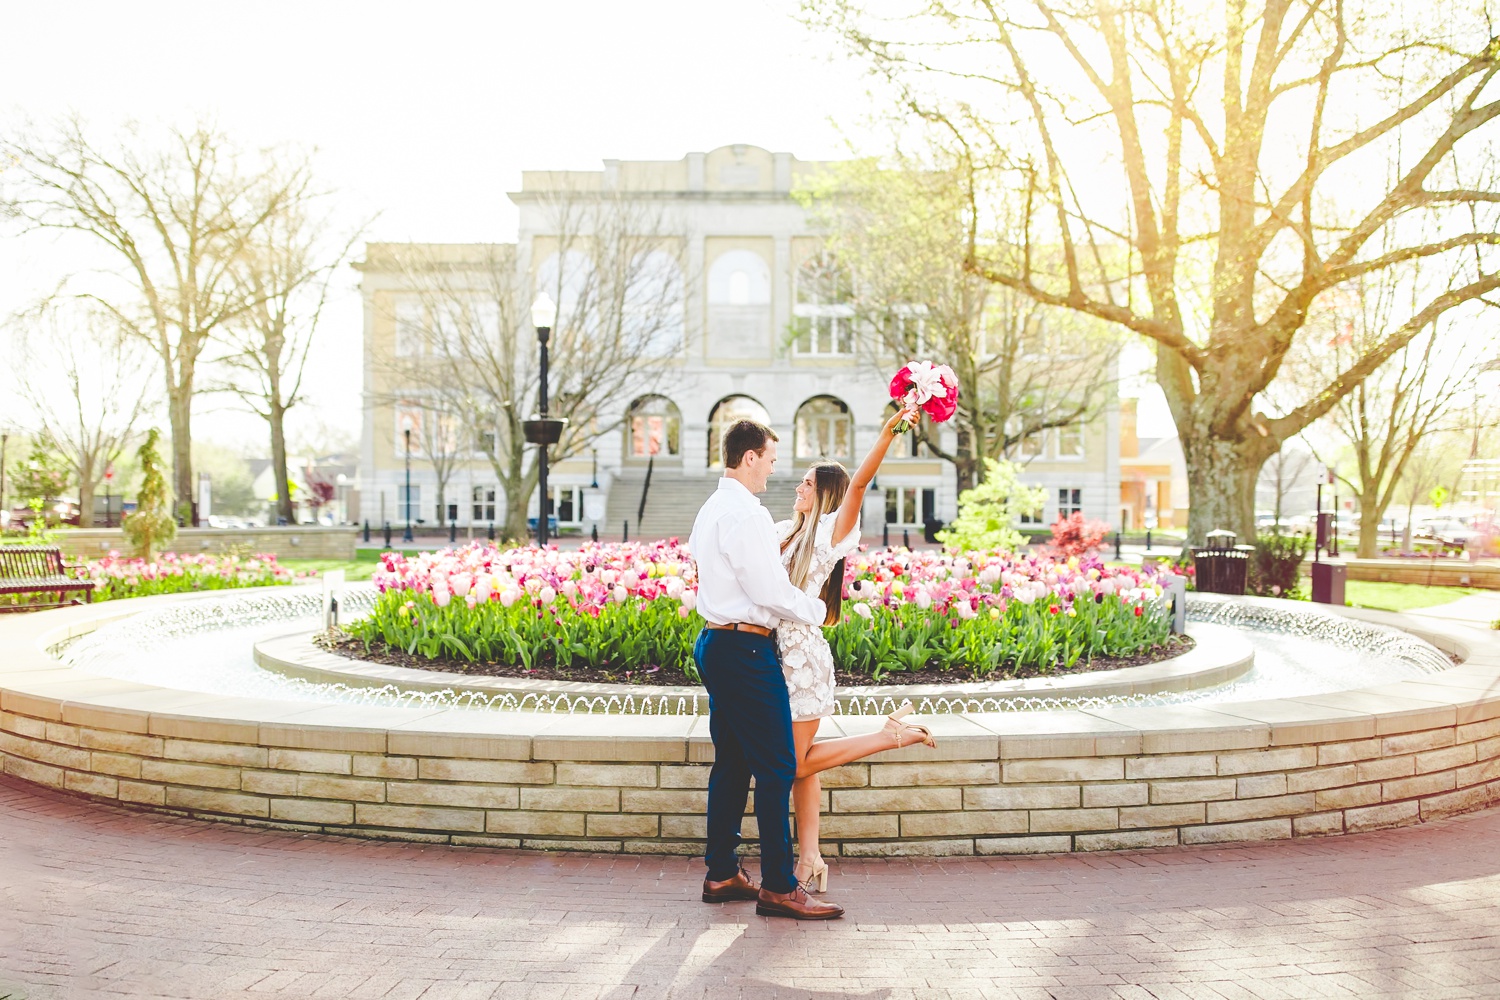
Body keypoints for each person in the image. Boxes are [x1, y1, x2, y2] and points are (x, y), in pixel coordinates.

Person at [688, 418, 845, 920]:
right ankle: (779, 885)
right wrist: (818, 611)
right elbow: (768, 591)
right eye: (771, 460)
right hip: (746, 649)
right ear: (750, 457)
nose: (773, 471)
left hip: (715, 642)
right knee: (778, 766)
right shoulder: (747, 514)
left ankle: (722, 872)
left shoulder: (711, 509)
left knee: (732, 762)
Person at [775, 404, 936, 894]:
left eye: (807, 483)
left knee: (794, 763)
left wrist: (888, 434)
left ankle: (889, 736)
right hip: (774, 654)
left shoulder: (830, 533)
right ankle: (810, 859)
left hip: (801, 658)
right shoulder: (786, 532)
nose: (798, 488)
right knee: (802, 763)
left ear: (824, 495)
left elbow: (860, 484)